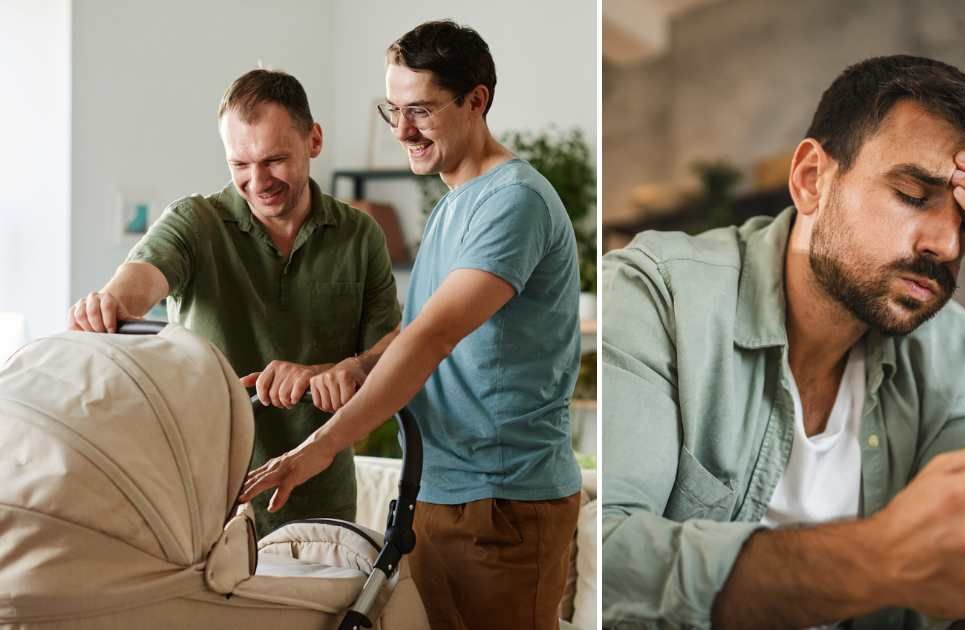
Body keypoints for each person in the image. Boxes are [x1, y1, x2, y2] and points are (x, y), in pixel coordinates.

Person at [602, 55, 965, 629]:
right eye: (913, 195)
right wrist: (876, 560)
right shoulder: (660, 291)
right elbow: (607, 556)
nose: (946, 244)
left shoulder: (945, 343)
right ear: (812, 180)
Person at [239, 21, 583, 630]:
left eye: (419, 110)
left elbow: (432, 339)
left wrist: (318, 449)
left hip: (503, 502)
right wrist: (350, 368)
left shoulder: (514, 201)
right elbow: (419, 327)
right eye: (392, 110)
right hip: (441, 493)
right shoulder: (454, 204)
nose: (402, 131)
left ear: (476, 100)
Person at [67, 68, 401, 535]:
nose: (258, 180)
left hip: (322, 504)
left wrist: (334, 371)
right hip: (208, 504)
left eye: (274, 160)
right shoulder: (195, 222)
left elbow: (391, 353)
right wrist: (109, 304)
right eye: (240, 165)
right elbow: (138, 284)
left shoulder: (359, 235)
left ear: (314, 140)